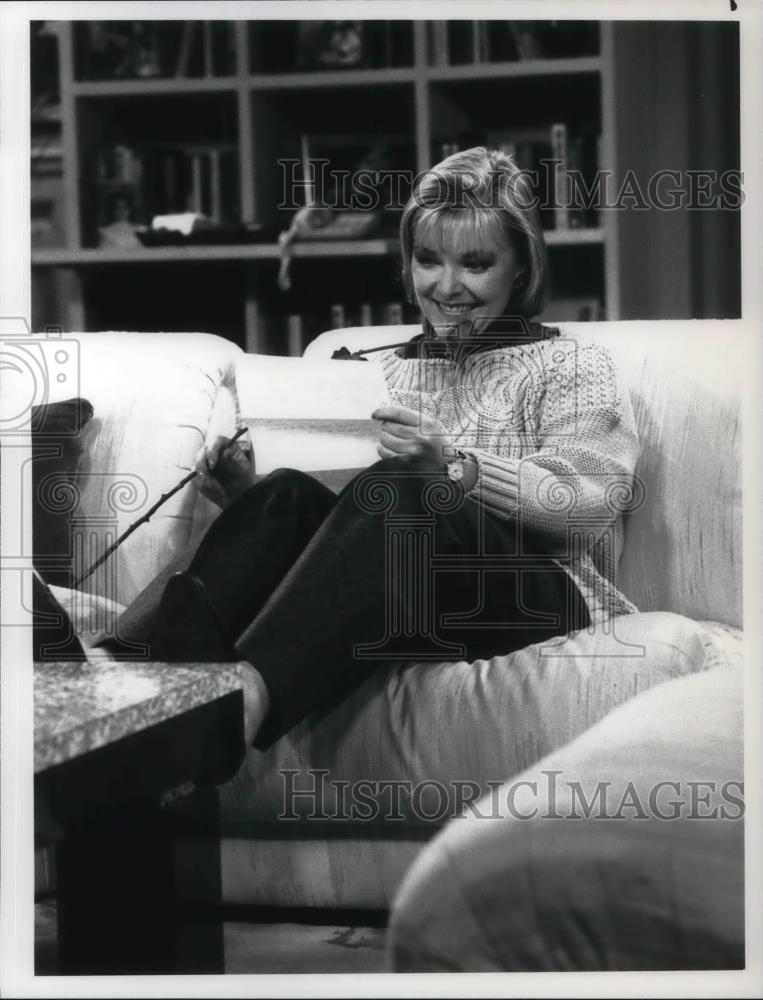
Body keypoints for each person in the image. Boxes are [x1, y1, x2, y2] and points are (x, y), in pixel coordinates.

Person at [101, 146, 641, 762]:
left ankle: (247, 694)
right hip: (406, 591)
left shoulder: (573, 365)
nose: (445, 287)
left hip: (541, 599)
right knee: (288, 495)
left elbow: (587, 507)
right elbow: (341, 533)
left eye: (476, 264)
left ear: (520, 268)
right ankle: (118, 667)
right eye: (427, 260)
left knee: (407, 486)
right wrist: (246, 487)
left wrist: (456, 469)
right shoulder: (378, 371)